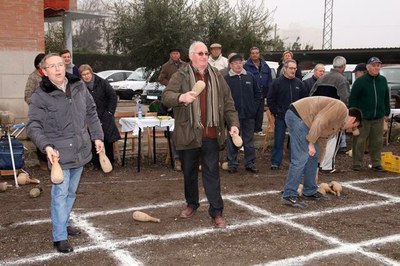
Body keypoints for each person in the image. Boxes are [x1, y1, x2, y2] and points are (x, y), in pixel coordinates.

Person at [26, 53, 104, 253]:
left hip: (80, 149)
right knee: (60, 194)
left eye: (60, 64)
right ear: (44, 71)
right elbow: (33, 126)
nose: (58, 69)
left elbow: (91, 112)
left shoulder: (79, 86)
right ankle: (59, 236)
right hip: (58, 154)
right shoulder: (40, 96)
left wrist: (97, 137)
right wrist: (47, 147)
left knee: (70, 192)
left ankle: (64, 222)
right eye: (52, 66)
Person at [162, 41, 240, 228]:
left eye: (206, 53)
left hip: (211, 133)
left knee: (212, 173)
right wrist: (181, 97)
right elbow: (166, 96)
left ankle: (216, 212)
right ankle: (192, 203)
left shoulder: (218, 76)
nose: (204, 56)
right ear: (191, 56)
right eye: (200, 53)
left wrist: (234, 124)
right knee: (189, 173)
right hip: (189, 133)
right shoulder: (180, 75)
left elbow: (228, 103)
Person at [282, 96, 362, 208]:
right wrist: (310, 143)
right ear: (352, 119)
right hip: (298, 116)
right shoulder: (340, 109)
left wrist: (317, 167)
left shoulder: (338, 125)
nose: (349, 130)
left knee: (314, 154)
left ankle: (309, 191)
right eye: (353, 127)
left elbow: (322, 142)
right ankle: (289, 195)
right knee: (301, 157)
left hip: (308, 122)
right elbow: (320, 120)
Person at [349, 57, 390, 172]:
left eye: (378, 65)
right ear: (368, 67)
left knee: (377, 141)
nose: (377, 67)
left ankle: (376, 163)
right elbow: (353, 99)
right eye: (374, 65)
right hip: (363, 117)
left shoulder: (383, 80)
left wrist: (387, 112)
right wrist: (354, 115)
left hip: (379, 117)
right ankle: (357, 164)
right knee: (359, 141)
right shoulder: (360, 81)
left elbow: (386, 97)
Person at [310, 56, 350, 173]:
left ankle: (317, 164)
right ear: (343, 67)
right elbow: (345, 99)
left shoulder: (321, 78)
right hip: (334, 115)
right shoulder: (342, 80)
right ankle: (327, 165)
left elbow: (312, 94)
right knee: (332, 140)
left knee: (319, 140)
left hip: (319, 114)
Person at [267, 59, 308, 170]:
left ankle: (295, 161)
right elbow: (270, 99)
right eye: (291, 68)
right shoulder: (276, 83)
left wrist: (300, 114)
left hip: (296, 117)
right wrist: (276, 111)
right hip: (281, 116)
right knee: (279, 139)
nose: (293, 70)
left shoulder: (300, 83)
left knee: (296, 140)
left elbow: (305, 100)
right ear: (285, 69)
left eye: (295, 68)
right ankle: (276, 162)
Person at [79, 64, 120, 170]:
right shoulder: (80, 86)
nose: (86, 76)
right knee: (92, 139)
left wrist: (110, 112)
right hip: (90, 116)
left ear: (91, 73)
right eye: (83, 75)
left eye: (88, 73)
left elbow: (112, 96)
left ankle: (110, 161)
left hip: (105, 114)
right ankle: (96, 163)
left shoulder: (102, 82)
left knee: (107, 139)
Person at [224, 54, 261, 173]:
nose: (238, 65)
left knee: (249, 140)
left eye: (240, 62)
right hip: (233, 117)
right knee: (232, 140)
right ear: (231, 65)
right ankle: (232, 163)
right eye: (235, 63)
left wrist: (253, 109)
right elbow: (223, 98)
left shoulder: (250, 76)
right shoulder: (226, 79)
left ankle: (250, 163)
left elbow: (257, 94)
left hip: (249, 115)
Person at [158, 48, 187, 171]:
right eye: (173, 53)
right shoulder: (166, 66)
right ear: (170, 55)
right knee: (174, 132)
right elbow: (161, 78)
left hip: (185, 98)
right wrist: (171, 84)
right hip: (172, 99)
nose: (175, 55)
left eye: (177, 53)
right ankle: (177, 159)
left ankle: (189, 158)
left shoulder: (185, 65)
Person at [24, 53, 48, 171]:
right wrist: (36, 105)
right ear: (38, 64)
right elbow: (27, 95)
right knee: (40, 136)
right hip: (39, 112)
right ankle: (43, 161)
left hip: (52, 112)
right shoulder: (33, 77)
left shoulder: (50, 75)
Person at [244, 47, 273, 136]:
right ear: (250, 55)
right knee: (251, 113)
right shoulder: (246, 66)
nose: (255, 54)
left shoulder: (265, 65)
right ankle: (250, 130)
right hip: (251, 94)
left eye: (256, 53)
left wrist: (269, 91)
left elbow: (269, 79)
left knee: (260, 113)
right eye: (253, 53)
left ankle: (258, 129)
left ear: (259, 54)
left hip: (262, 94)